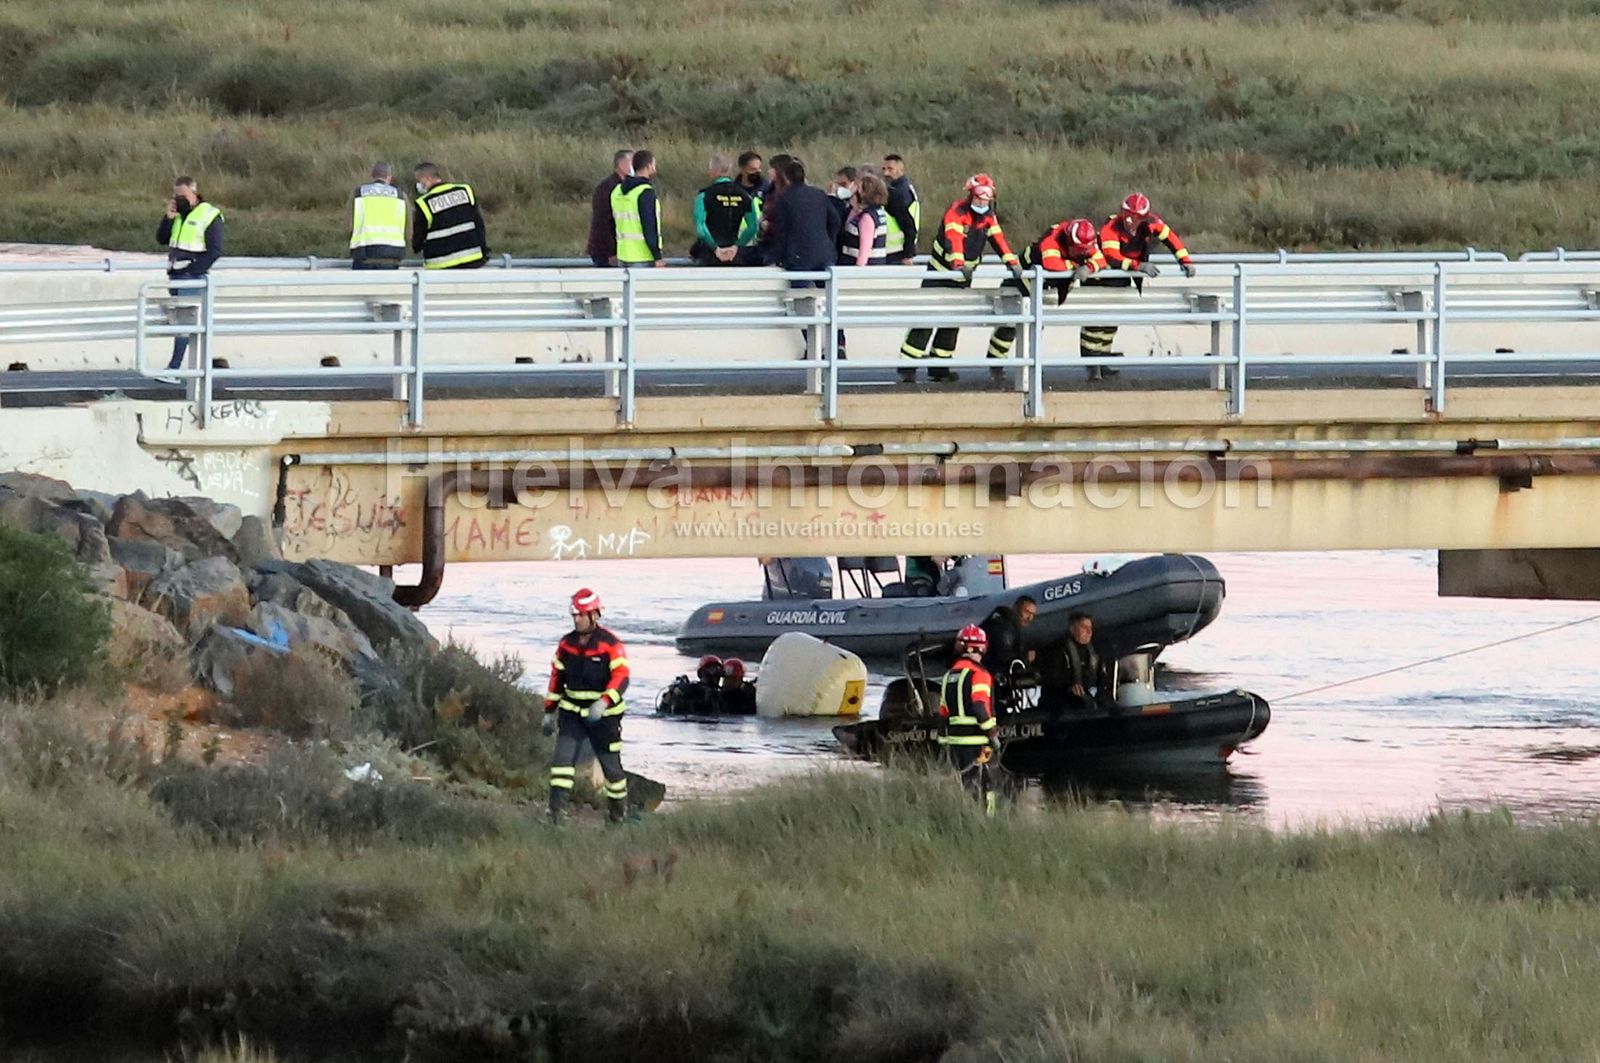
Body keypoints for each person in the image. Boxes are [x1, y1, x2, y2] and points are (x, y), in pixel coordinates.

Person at [897, 173, 1022, 384]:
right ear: (971, 195)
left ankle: (940, 368)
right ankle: (907, 368)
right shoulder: (956, 213)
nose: (983, 202)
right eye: (980, 198)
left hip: (963, 279)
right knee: (925, 320)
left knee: (952, 322)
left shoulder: (988, 217)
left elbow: (999, 241)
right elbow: (953, 240)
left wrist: (1013, 264)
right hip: (939, 274)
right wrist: (958, 264)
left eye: (987, 199)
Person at [1081, 192, 1196, 380]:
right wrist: (1139, 266)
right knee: (1095, 323)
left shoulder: (1152, 223)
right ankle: (1092, 366)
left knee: (1111, 322)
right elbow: (1111, 256)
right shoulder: (1112, 227)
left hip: (1121, 278)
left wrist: (1185, 260)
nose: (1129, 220)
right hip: (1101, 277)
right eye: (1127, 214)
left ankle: (1102, 361)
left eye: (1134, 216)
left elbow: (1171, 238)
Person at [543, 588, 631, 824]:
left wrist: (604, 702)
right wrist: (549, 710)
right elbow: (556, 678)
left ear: (594, 615)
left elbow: (622, 676)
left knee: (612, 770)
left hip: (604, 718)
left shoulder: (610, 644)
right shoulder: (566, 644)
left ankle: (617, 817)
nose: (577, 620)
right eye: (575, 616)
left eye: (581, 615)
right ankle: (555, 816)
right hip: (572, 714)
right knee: (561, 765)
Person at [987, 218, 1109, 378]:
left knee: (1036, 328)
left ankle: (1033, 367)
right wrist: (1075, 266)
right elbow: (1052, 264)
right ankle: (995, 364)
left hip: (1044, 287)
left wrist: (1089, 266)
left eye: (1085, 251)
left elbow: (1101, 259)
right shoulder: (1052, 239)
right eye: (1078, 250)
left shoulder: (1086, 242)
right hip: (1021, 281)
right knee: (1010, 325)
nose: (1082, 253)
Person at [156, 175, 224, 376]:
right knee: (183, 324)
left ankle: (174, 369)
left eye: (183, 195)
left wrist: (194, 271)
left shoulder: (209, 214)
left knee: (185, 324)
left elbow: (215, 250)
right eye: (176, 195)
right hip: (175, 276)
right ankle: (193, 367)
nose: (179, 199)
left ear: (194, 193)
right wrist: (167, 218)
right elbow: (161, 238)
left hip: (191, 278)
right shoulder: (178, 215)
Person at [936, 624, 1000, 815]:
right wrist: (992, 732)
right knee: (986, 788)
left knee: (966, 787)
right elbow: (979, 706)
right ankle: (988, 822)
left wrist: (944, 742)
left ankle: (967, 819)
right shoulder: (980, 674)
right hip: (978, 743)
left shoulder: (948, 676)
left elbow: (942, 713)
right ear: (982, 647)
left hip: (955, 744)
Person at [834, 172, 889, 359]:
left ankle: (839, 347)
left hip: (856, 273)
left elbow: (864, 250)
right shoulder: (870, 213)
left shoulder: (867, 218)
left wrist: (857, 275)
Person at [411, 162, 488, 269]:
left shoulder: (424, 203)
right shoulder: (465, 190)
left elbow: (418, 241)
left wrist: (416, 248)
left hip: (440, 264)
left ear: (427, 178)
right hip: (472, 259)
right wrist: (483, 251)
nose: (418, 185)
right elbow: (479, 224)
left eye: (418, 180)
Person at [770, 158, 841, 275]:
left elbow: (782, 230)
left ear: (786, 178)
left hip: (798, 256)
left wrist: (779, 256)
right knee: (826, 291)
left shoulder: (784, 197)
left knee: (798, 291)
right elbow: (835, 220)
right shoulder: (819, 194)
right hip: (824, 253)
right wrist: (829, 241)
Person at [690, 154, 759, 265]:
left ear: (714, 170)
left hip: (709, 255)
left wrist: (715, 248)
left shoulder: (704, 195)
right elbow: (753, 227)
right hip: (733, 255)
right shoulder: (745, 196)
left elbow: (701, 228)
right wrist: (736, 247)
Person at [1040, 612, 1111, 715]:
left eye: (1090, 628)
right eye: (1084, 627)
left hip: (1087, 702)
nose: (1089, 631)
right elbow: (1052, 679)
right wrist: (1070, 687)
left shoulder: (1094, 652)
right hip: (1060, 707)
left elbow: (1101, 678)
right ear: (1072, 629)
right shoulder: (1057, 649)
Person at [611, 149, 666, 268]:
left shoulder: (617, 191)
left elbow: (611, 222)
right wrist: (657, 257)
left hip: (623, 254)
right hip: (643, 256)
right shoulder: (645, 192)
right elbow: (649, 227)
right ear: (649, 166)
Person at [348, 162, 406, 271]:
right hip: (392, 255)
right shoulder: (400, 195)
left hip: (364, 253)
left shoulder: (359, 193)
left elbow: (348, 224)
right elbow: (408, 227)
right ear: (389, 177)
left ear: (372, 176)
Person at [586, 149, 633, 267]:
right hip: (605, 252)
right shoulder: (607, 188)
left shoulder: (626, 186)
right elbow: (603, 222)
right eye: (632, 162)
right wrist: (611, 252)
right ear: (621, 164)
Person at [980, 595, 1037, 680]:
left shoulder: (1002, 622)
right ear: (1016, 608)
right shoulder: (1004, 626)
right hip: (993, 678)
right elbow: (1004, 656)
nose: (1030, 618)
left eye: (1033, 615)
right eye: (1027, 612)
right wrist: (1025, 658)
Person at [882, 153, 920, 266]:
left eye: (890, 169)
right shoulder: (907, 187)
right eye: (884, 169)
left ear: (901, 169)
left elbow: (908, 226)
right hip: (901, 248)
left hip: (896, 252)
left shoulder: (897, 193)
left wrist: (907, 254)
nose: (885, 173)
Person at [826, 166, 858, 232]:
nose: (839, 187)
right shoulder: (842, 202)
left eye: (843, 184)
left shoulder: (858, 206)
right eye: (838, 184)